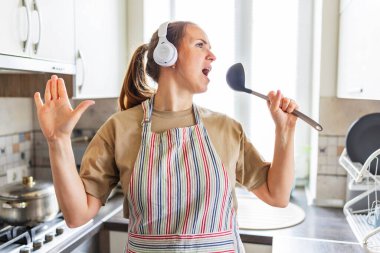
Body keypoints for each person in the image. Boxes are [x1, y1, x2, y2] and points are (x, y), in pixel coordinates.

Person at [34, 21, 298, 252]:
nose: (213, 55)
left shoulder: (226, 128)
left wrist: (284, 131)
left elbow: (277, 195)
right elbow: (77, 215)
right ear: (166, 54)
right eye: (200, 45)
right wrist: (58, 141)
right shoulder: (120, 128)